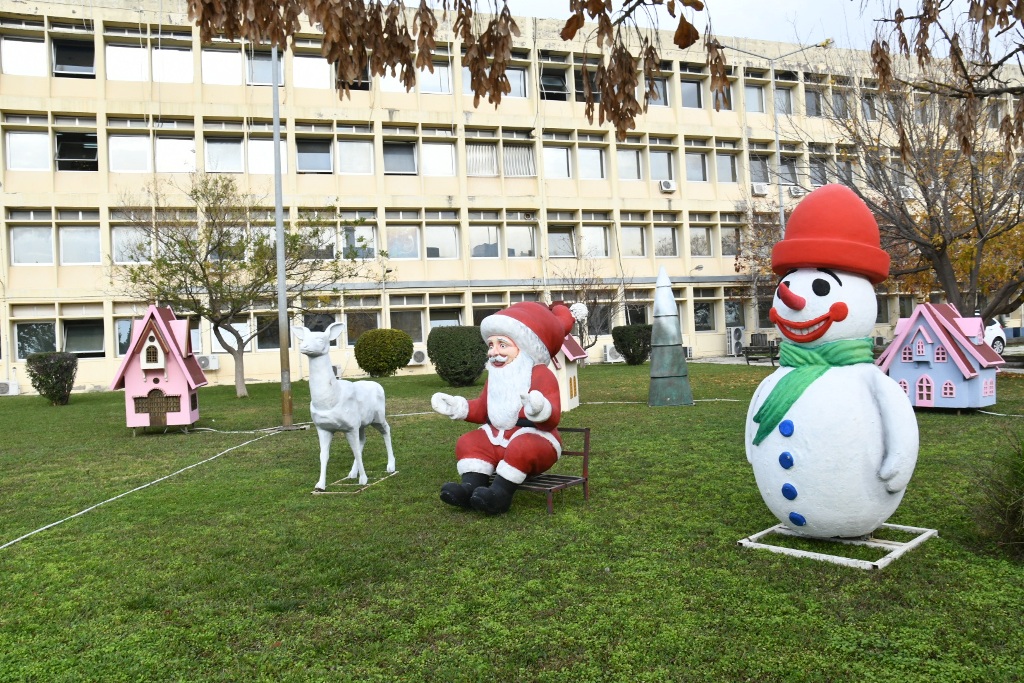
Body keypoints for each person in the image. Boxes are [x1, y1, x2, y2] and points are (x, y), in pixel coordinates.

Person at [431, 301, 576, 514]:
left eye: (502, 345)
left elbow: (552, 418)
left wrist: (539, 409)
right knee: (469, 441)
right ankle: (469, 488)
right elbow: (483, 409)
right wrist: (458, 407)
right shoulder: (497, 376)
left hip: (536, 438)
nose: (493, 352)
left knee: (522, 447)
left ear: (524, 347)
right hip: (497, 438)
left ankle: (500, 494)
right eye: (491, 345)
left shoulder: (540, 374)